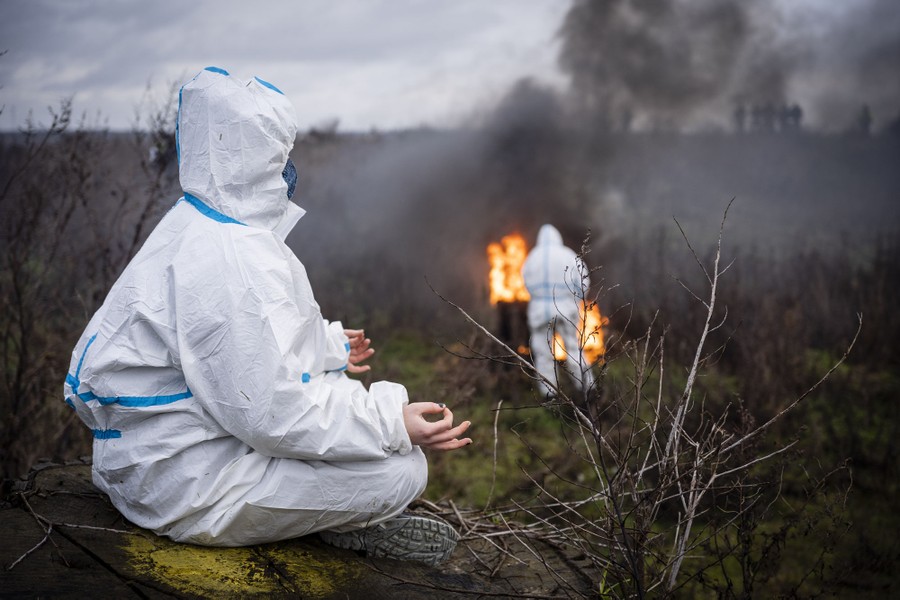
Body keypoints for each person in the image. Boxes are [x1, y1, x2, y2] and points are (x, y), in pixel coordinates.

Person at [63, 67, 471, 565]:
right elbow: (270, 414)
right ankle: (341, 522)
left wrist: (327, 347)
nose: (288, 167)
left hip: (145, 459)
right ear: (261, 154)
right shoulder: (231, 255)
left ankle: (320, 510)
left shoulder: (193, 222)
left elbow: (238, 349)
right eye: (280, 152)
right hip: (184, 487)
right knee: (403, 469)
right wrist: (392, 422)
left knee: (339, 389)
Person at [521, 224, 593, 399]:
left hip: (539, 312)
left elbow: (525, 282)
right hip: (566, 309)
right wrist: (574, 301)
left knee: (543, 352)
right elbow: (584, 282)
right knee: (573, 349)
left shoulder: (532, 257)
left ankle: (549, 394)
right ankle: (587, 389)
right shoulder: (568, 255)